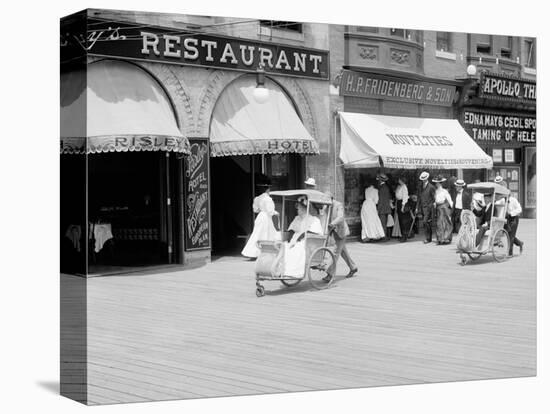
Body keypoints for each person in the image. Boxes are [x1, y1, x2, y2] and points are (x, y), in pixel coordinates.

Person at [282, 199, 323, 278]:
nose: (297, 210)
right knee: (284, 246)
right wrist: (291, 238)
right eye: (298, 208)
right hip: (295, 239)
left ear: (304, 208)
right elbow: (291, 230)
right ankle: (285, 270)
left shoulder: (314, 219)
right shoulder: (297, 218)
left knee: (297, 248)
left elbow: (314, 233)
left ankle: (294, 272)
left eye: (299, 208)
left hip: (308, 242)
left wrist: (299, 237)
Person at [241, 179, 280, 259]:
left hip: (260, 216)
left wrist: (262, 210)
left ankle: (253, 252)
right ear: (268, 189)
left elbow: (255, 210)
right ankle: (265, 252)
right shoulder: (268, 199)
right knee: (266, 233)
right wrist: (276, 213)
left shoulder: (257, 198)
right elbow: (270, 211)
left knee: (257, 233)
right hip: (266, 217)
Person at [326, 191, 358, 279]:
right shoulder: (327, 205)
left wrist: (332, 224)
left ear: (331, 199)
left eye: (327, 199)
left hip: (341, 232)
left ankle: (330, 274)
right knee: (343, 252)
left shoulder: (338, 205)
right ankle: (353, 267)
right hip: (334, 232)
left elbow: (340, 217)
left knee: (335, 252)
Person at [496, 178, 524, 257]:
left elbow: (519, 209)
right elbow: (496, 204)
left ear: (509, 194)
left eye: (506, 194)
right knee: (508, 234)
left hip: (514, 219)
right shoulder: (502, 200)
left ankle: (510, 253)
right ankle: (520, 243)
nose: (505, 196)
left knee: (511, 235)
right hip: (506, 219)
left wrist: (511, 213)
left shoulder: (514, 200)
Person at [432, 175, 453, 245]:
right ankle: (440, 239)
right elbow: (435, 200)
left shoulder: (444, 191)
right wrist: (435, 203)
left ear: (440, 183)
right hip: (438, 208)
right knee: (439, 224)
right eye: (436, 183)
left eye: (438, 183)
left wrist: (452, 208)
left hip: (444, 208)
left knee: (446, 223)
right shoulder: (435, 191)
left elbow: (449, 200)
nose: (436, 184)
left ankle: (446, 238)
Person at [416, 171, 436, 244]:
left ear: (427, 178)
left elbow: (434, 198)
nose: (423, 180)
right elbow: (419, 197)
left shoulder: (431, 187)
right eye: (422, 179)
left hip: (429, 207)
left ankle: (428, 238)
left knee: (425, 222)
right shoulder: (420, 187)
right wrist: (417, 207)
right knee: (427, 223)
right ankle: (428, 237)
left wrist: (431, 206)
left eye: (424, 178)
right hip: (422, 207)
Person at [395, 176, 411, 242]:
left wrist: (403, 206)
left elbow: (405, 197)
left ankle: (405, 236)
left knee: (404, 221)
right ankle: (402, 235)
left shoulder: (404, 187)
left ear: (401, 180)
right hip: (399, 202)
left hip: (403, 203)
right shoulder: (400, 186)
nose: (398, 180)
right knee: (400, 220)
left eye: (399, 179)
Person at [376, 173, 392, 241]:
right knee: (384, 222)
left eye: (378, 179)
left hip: (382, 208)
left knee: (383, 223)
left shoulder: (382, 188)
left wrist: (378, 208)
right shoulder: (385, 187)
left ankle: (384, 237)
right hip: (385, 208)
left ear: (380, 180)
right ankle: (385, 236)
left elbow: (381, 200)